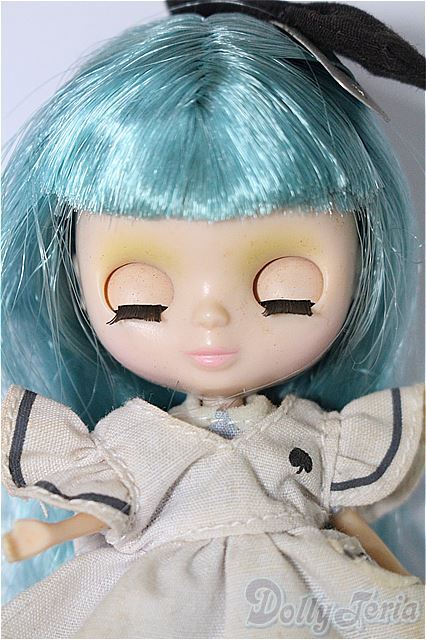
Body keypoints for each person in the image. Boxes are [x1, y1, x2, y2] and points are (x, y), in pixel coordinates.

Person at [2, 2, 424, 637]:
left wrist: (399, 590)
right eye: (142, 296)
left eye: (285, 289)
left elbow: (351, 523)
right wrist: (45, 535)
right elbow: (105, 512)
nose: (211, 320)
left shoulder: (315, 439)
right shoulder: (134, 442)